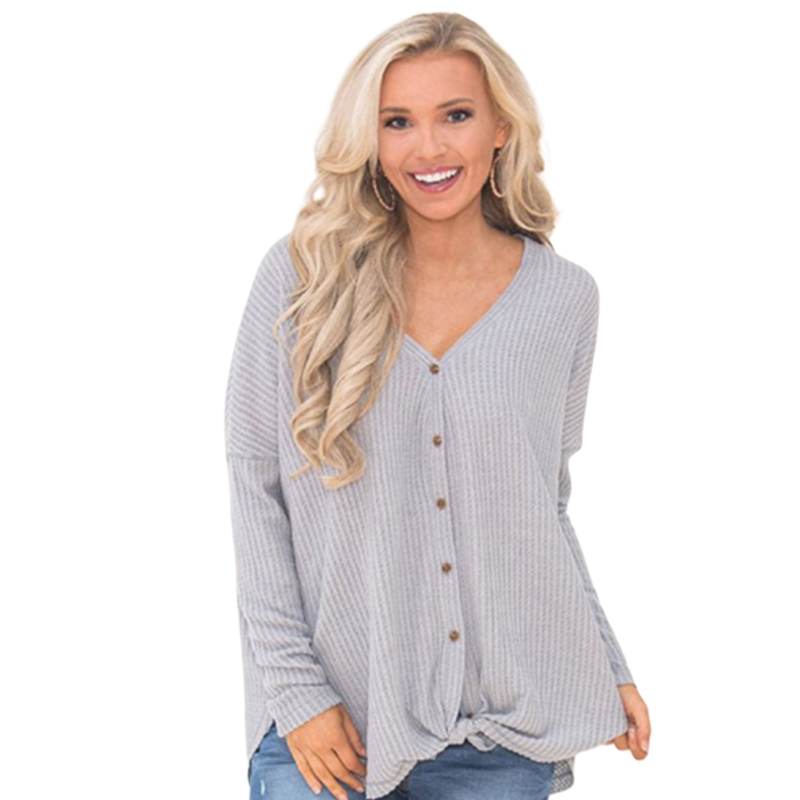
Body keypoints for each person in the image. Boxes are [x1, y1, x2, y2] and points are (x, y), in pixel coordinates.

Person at [224, 11, 651, 800]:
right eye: (397, 122)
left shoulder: (563, 299)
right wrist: (297, 693)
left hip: (503, 732)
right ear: (370, 139)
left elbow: (542, 508)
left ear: (500, 128)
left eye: (455, 115)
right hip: (328, 732)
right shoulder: (301, 280)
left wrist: (605, 664)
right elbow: (257, 489)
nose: (428, 148)